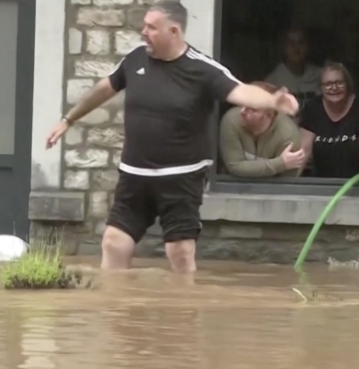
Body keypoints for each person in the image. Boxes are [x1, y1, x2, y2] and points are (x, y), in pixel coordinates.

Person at [45, 1, 298, 273]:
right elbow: (103, 90)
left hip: (181, 177)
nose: (143, 32)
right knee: (113, 243)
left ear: (174, 31)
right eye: (144, 25)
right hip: (135, 175)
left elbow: (240, 91)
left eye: (151, 27)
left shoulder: (201, 68)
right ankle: (115, 310)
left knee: (179, 251)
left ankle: (183, 311)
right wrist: (68, 119)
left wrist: (272, 101)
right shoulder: (135, 59)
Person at [299, 61, 359, 178]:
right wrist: (292, 183)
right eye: (328, 84)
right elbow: (304, 150)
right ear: (321, 88)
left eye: (339, 82)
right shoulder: (312, 109)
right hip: (320, 183)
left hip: (353, 185)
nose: (334, 88)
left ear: (347, 84)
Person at [219, 81, 304, 178]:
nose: (242, 111)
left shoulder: (288, 134)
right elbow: (234, 166)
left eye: (252, 109)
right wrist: (280, 163)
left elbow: (287, 182)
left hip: (273, 190)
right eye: (242, 105)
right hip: (232, 186)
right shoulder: (231, 120)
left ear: (268, 115)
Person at [265, 27, 322, 110]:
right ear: (284, 47)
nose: (296, 48)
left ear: (307, 46)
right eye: (291, 43)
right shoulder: (272, 81)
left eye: (300, 43)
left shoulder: (321, 75)